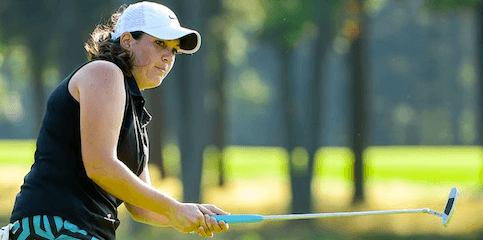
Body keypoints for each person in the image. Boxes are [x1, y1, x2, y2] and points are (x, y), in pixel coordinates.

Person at [7, 1, 229, 239]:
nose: (168, 57)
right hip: (51, 227)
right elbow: (100, 166)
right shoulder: (105, 72)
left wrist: (192, 214)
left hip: (83, 231)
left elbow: (142, 207)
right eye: (159, 43)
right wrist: (174, 209)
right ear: (126, 41)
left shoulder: (135, 113)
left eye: (173, 50)